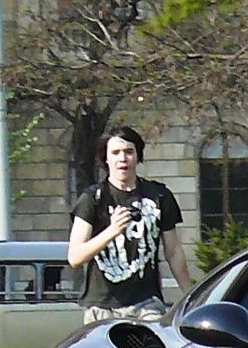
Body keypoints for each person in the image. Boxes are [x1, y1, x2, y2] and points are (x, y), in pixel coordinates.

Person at [68, 125, 195, 323]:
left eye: (129, 152)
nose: (122, 158)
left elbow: (173, 251)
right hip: (101, 307)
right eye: (115, 153)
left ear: (137, 156)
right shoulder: (92, 199)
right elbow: (75, 257)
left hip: (147, 304)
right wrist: (112, 231)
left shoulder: (159, 196)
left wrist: (190, 294)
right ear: (106, 159)